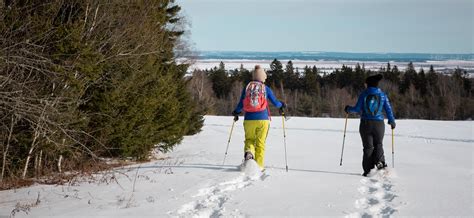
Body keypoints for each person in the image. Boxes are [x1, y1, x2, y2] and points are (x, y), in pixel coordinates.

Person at [232, 65, 285, 170]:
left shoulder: (247, 88)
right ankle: (259, 166)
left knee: (249, 139)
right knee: (260, 142)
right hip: (263, 119)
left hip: (249, 119)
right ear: (263, 77)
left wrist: (236, 112)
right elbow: (275, 102)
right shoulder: (266, 89)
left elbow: (241, 103)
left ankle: (249, 154)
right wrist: (282, 105)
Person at [344, 74, 396, 177]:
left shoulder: (364, 94)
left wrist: (348, 109)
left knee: (368, 148)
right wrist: (392, 121)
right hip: (379, 125)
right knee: (378, 144)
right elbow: (388, 109)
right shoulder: (382, 95)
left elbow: (357, 109)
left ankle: (368, 171)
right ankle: (380, 163)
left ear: (368, 84)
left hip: (365, 124)